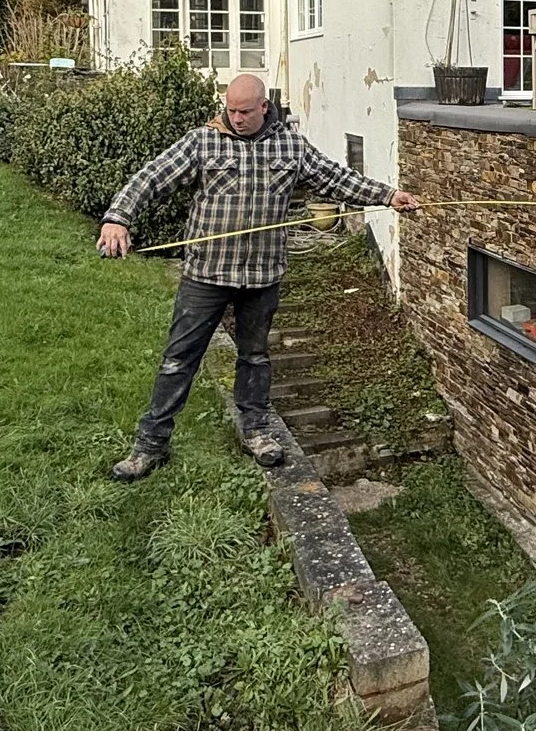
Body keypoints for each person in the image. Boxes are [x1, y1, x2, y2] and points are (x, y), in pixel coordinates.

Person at [98, 73, 418, 479]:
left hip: (262, 276)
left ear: (264, 107)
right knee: (179, 360)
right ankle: (149, 446)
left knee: (254, 357)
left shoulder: (290, 145)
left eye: (245, 111)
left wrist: (387, 195)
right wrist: (117, 218)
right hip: (206, 274)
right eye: (230, 110)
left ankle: (257, 432)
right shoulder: (203, 141)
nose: (236, 118)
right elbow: (151, 178)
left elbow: (337, 178)